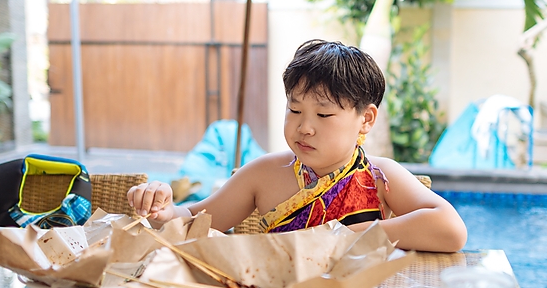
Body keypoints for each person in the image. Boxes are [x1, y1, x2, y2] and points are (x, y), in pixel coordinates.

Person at [127, 40, 468, 253]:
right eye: (294, 110)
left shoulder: (380, 176)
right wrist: (165, 211)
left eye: (324, 114)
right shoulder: (264, 174)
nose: (305, 127)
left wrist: (354, 236)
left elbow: (451, 230)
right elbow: (196, 220)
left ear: (365, 119)